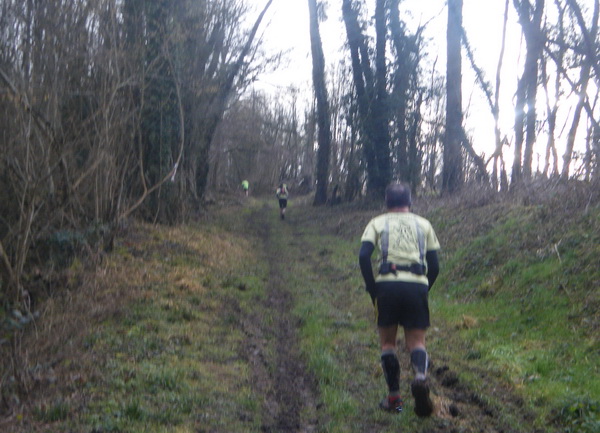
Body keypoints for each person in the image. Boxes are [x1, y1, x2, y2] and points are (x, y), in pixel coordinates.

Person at [358, 182, 440, 416]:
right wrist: (425, 288)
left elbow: (364, 256)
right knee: (417, 342)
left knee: (388, 344)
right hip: (417, 286)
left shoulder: (377, 222)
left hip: (387, 286)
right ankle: (421, 378)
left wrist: (372, 288)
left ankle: (395, 400)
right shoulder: (424, 224)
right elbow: (434, 266)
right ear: (410, 202)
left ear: (387, 202)